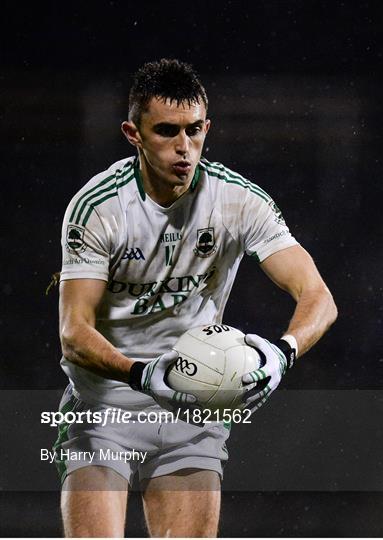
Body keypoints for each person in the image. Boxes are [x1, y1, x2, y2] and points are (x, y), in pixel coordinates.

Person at [54, 58, 337, 537]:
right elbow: (73, 333)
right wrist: (143, 374)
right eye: (166, 131)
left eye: (194, 130)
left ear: (207, 127)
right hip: (103, 407)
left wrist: (282, 353)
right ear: (133, 133)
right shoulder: (99, 206)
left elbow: (319, 297)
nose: (184, 148)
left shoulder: (238, 200)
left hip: (193, 407)